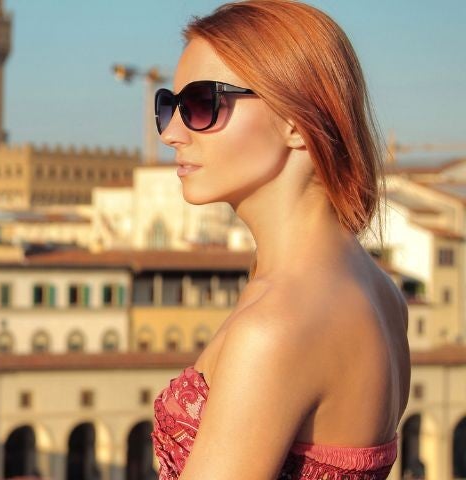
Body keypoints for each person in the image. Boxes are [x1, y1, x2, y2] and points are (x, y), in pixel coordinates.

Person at [149, 1, 410, 478]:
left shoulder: (274, 328)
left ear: (296, 120)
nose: (171, 132)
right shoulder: (380, 290)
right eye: (169, 105)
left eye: (201, 104)